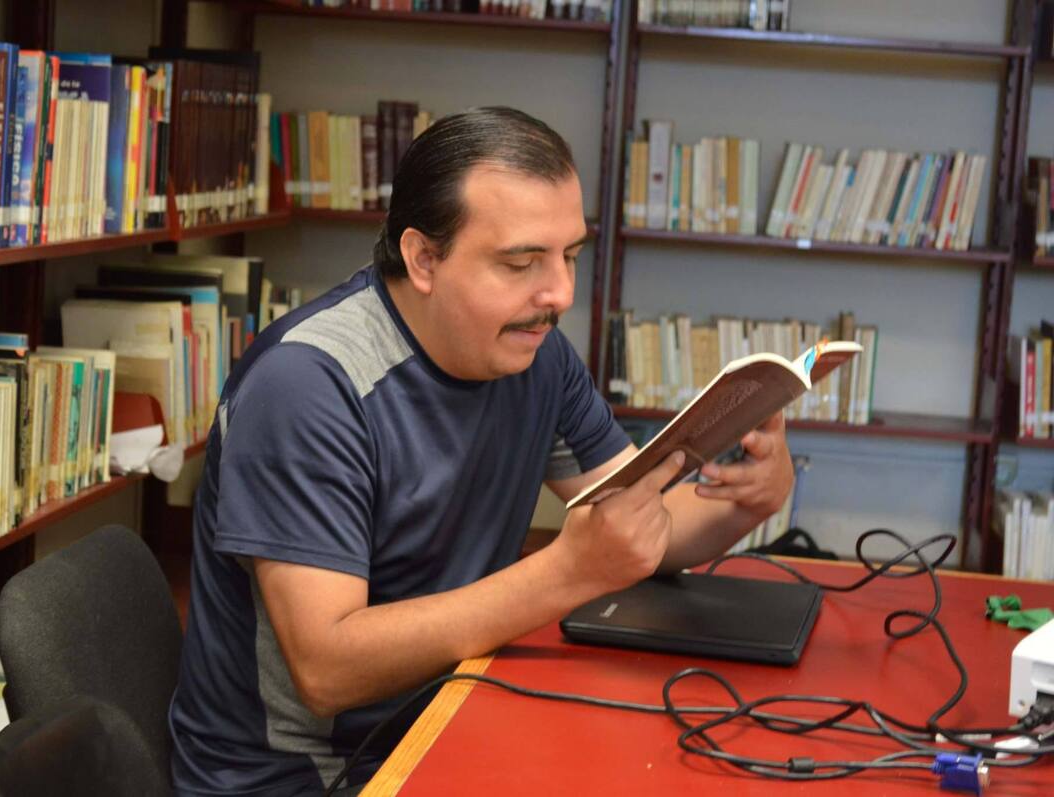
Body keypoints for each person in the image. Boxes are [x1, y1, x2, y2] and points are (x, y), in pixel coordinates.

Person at [168, 107, 795, 796]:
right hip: (304, 778)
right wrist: (566, 572)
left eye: (570, 256)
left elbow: (644, 527)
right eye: (521, 262)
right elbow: (328, 669)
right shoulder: (307, 387)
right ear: (424, 258)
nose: (558, 293)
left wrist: (750, 499)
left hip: (449, 716)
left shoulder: (534, 354)